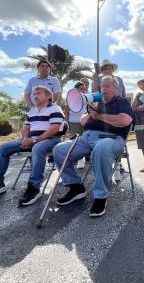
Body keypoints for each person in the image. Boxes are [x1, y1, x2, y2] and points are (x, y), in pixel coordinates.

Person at [53, 75, 133, 218]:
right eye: (102, 86)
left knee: (102, 147)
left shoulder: (121, 101)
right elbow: (83, 122)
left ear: (116, 88)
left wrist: (100, 116)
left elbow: (125, 120)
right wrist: (90, 112)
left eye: (107, 86)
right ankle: (75, 187)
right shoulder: (96, 103)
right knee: (59, 150)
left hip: (111, 138)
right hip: (86, 138)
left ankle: (100, 196)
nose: (103, 89)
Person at [0, 86, 64, 206]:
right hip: (31, 139)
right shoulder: (32, 111)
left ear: (48, 96)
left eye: (38, 93)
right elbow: (26, 128)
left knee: (37, 148)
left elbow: (54, 129)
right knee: (3, 148)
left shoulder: (55, 109)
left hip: (50, 140)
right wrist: (26, 139)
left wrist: (35, 140)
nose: (35, 96)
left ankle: (34, 188)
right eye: (34, 94)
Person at [65, 81, 88, 168]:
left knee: (84, 139)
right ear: (76, 90)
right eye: (81, 89)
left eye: (84, 89)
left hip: (85, 121)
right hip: (73, 122)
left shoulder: (87, 98)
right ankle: (79, 159)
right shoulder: (70, 98)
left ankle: (85, 157)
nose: (83, 91)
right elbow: (66, 111)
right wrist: (68, 124)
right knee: (75, 140)